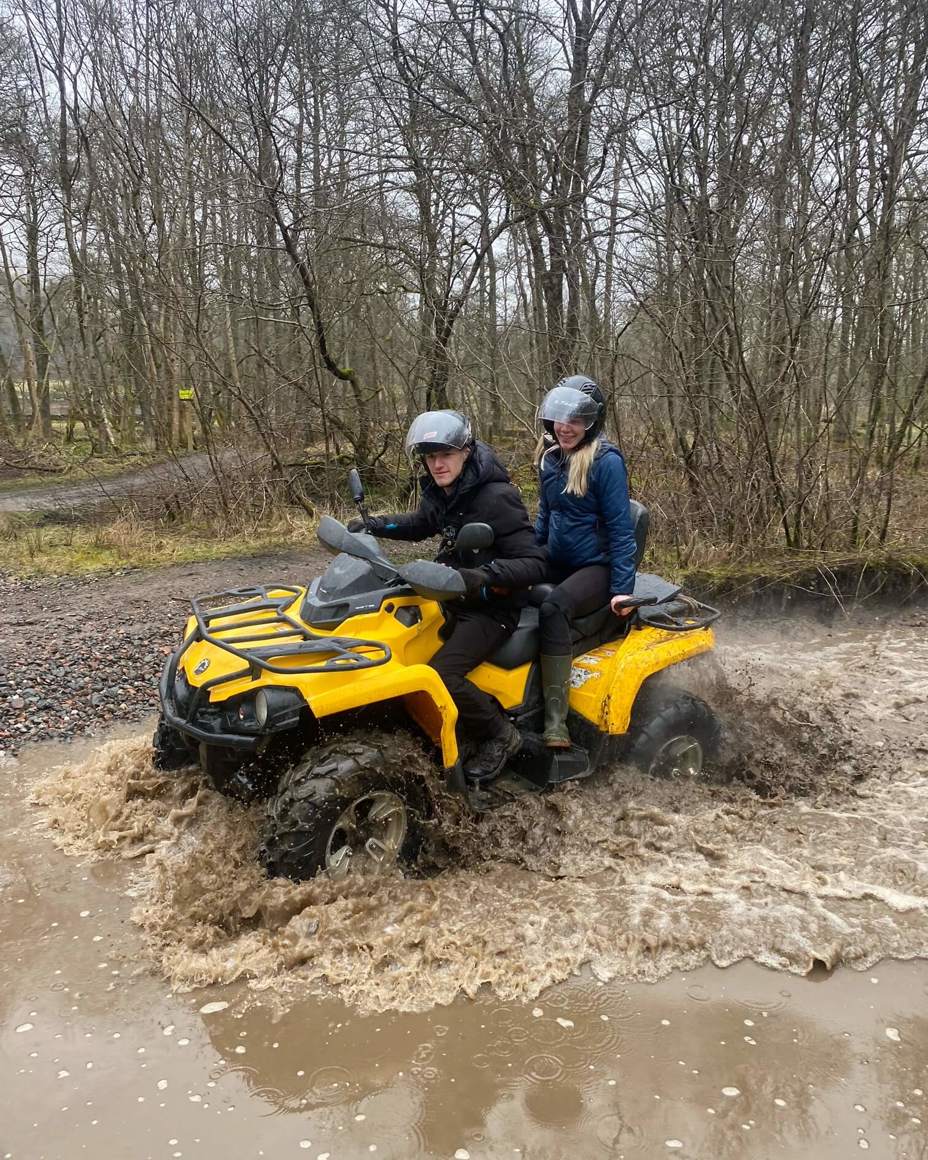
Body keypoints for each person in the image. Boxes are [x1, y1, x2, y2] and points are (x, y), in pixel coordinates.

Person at [349, 409, 547, 780]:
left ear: (466, 452)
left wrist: (482, 576)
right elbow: (423, 523)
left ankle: (502, 735)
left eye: (445, 455)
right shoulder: (443, 489)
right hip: (450, 595)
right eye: (430, 457)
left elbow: (535, 563)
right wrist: (375, 525)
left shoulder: (496, 497)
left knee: (441, 674)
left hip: (492, 607)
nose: (437, 464)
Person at [534, 375, 638, 748]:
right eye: (560, 418)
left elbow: (621, 529)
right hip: (559, 556)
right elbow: (545, 517)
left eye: (575, 420)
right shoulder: (550, 459)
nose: (565, 427)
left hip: (596, 565)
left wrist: (622, 590)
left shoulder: (606, 463)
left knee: (553, 606)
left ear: (592, 423)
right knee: (510, 581)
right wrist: (529, 557)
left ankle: (555, 720)